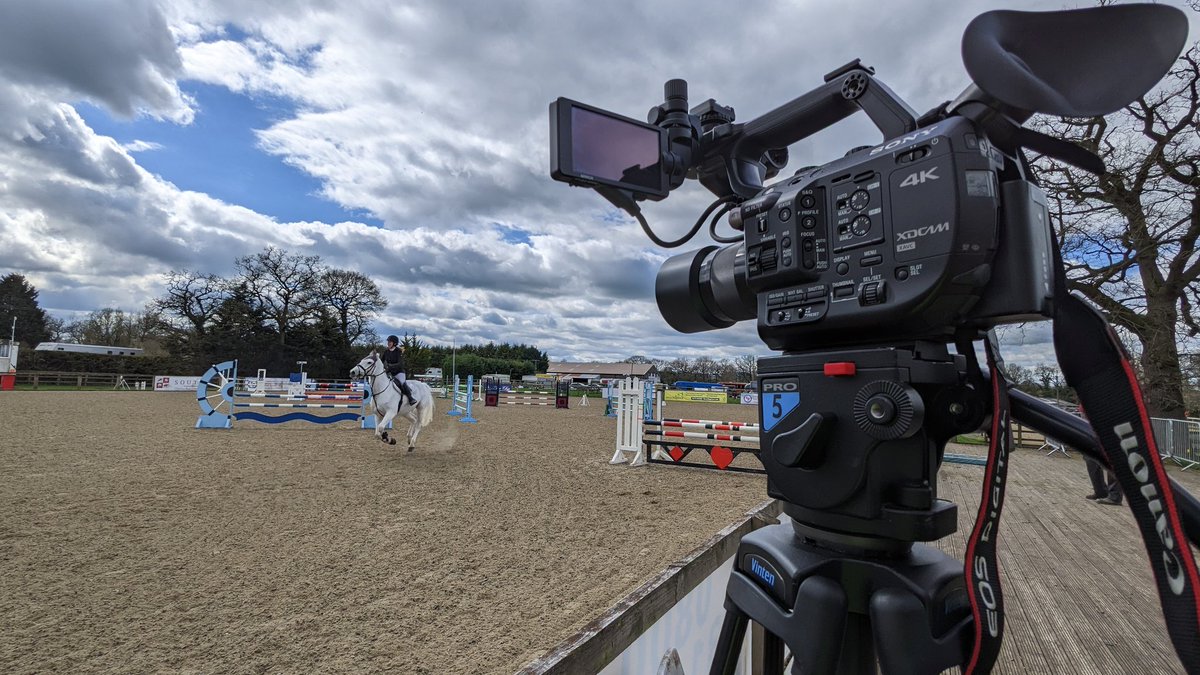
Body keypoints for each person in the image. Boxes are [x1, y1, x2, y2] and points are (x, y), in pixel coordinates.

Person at [381, 335, 417, 407]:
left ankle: (411, 398)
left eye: (390, 342)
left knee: (402, 382)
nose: (388, 343)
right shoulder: (386, 351)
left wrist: (390, 366)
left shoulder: (398, 351)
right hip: (389, 372)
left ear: (394, 343)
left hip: (399, 372)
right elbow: (381, 361)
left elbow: (400, 364)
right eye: (388, 342)